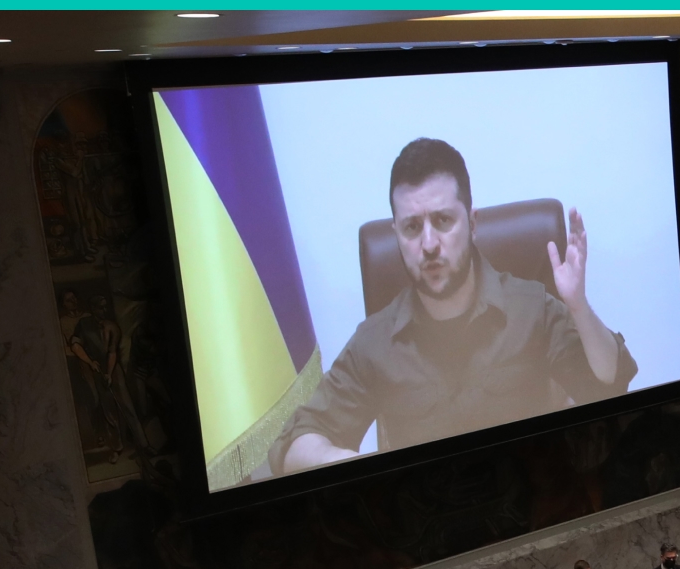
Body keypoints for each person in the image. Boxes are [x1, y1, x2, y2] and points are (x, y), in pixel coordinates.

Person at [267, 138, 635, 476]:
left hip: (531, 507)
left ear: (472, 223)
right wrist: (357, 465)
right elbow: (292, 445)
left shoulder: (531, 307)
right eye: (412, 227)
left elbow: (609, 384)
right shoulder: (375, 342)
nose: (428, 243)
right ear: (397, 235)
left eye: (443, 221)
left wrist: (579, 308)